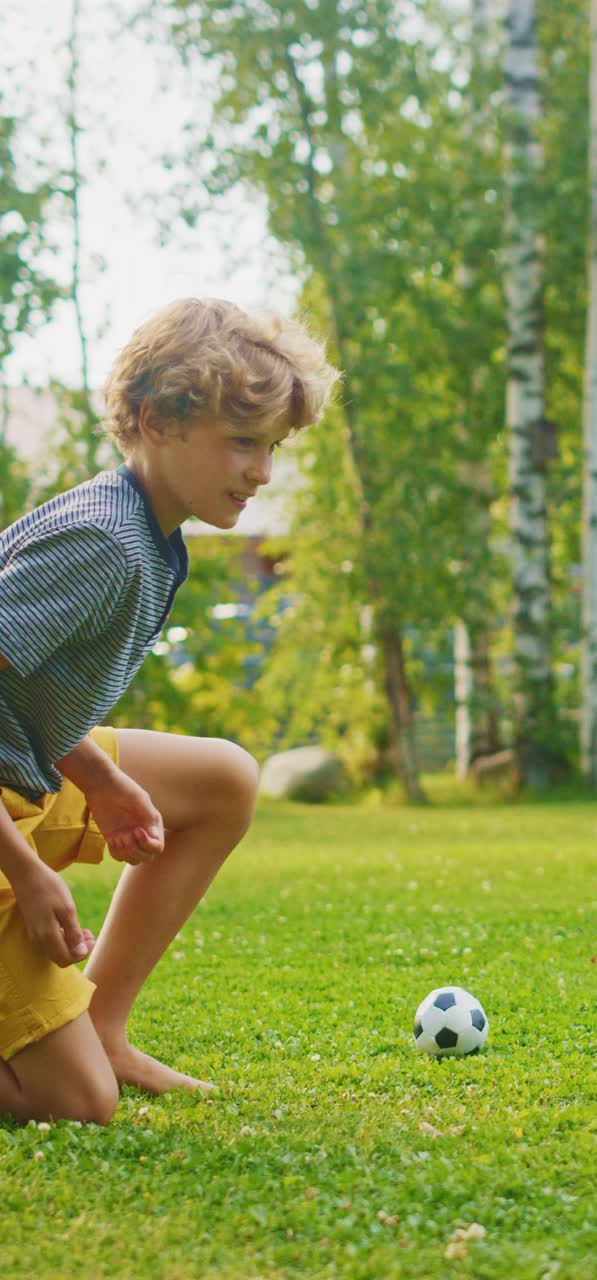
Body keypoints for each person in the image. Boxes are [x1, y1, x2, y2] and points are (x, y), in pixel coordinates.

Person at [0, 297, 339, 1124]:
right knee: (79, 1104)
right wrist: (28, 873)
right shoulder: (106, 543)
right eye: (242, 441)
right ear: (156, 419)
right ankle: (84, 1057)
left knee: (222, 779)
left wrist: (103, 778)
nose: (262, 471)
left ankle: (104, 1026)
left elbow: (27, 691)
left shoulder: (151, 533)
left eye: (273, 447)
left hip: (28, 774)